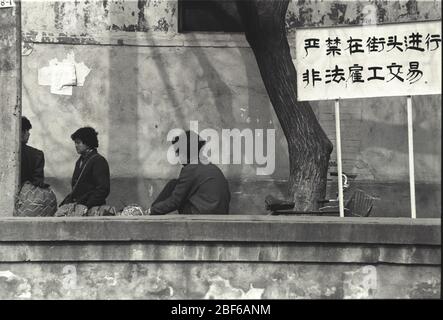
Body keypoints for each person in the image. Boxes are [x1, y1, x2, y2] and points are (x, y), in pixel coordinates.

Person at [148, 130, 230, 215]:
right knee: (176, 185)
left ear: (185, 151)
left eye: (177, 152)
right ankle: (151, 212)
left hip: (201, 218)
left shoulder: (191, 169)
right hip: (220, 215)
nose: (176, 155)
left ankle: (149, 213)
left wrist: (152, 210)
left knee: (173, 185)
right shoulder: (211, 167)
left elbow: (175, 201)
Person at [59, 127, 110, 215]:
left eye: (78, 143)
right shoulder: (79, 161)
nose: (76, 145)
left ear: (88, 143)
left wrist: (87, 205)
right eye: (75, 143)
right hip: (79, 207)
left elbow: (103, 189)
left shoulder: (98, 161)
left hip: (91, 209)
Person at [16, 116, 57, 216]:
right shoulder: (37, 154)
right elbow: (38, 181)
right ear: (21, 132)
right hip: (27, 203)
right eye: (27, 130)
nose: (29, 134)